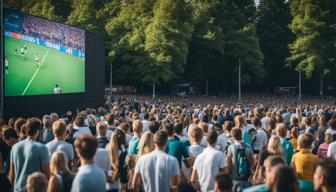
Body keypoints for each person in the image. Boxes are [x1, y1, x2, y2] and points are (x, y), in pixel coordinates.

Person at [8, 118, 50, 192]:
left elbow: (11, 176)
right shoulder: (42, 148)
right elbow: (47, 175)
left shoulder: (14, 147)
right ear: (38, 131)